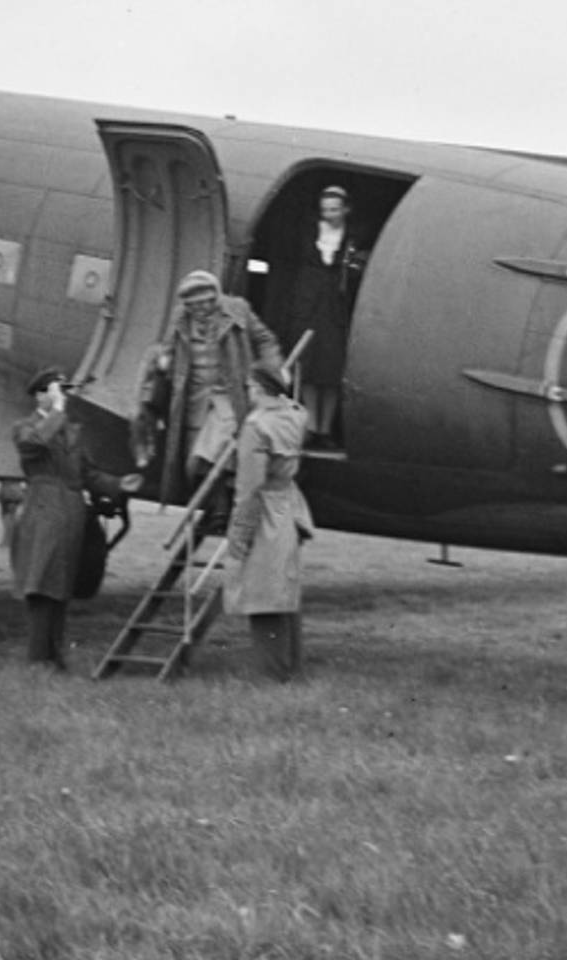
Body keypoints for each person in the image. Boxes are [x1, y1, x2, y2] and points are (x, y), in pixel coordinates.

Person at [10, 368, 140, 670]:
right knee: (41, 586)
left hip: (69, 516)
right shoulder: (24, 428)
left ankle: (54, 657)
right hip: (43, 513)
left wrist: (119, 485)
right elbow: (34, 446)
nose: (64, 397)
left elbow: (87, 474)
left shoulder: (70, 431)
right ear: (40, 395)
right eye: (57, 390)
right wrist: (56, 410)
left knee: (60, 586)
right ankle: (38, 658)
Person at [132, 269, 282, 525]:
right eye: (193, 305)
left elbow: (265, 339)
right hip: (193, 399)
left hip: (229, 395)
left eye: (205, 302)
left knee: (219, 449)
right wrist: (163, 361)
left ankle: (222, 510)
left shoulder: (238, 310)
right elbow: (167, 348)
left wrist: (273, 371)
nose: (200, 309)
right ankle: (214, 506)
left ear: (215, 297)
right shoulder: (181, 319)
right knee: (196, 460)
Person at [224, 361, 314, 682]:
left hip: (264, 511)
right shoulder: (296, 415)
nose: (248, 392)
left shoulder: (256, 426)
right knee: (285, 591)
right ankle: (291, 666)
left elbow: (249, 488)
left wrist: (239, 535)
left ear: (259, 388)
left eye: (250, 387)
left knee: (262, 594)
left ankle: (269, 673)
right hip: (287, 505)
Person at [284, 185, 368, 446]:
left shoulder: (356, 236)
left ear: (345, 210)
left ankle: (325, 429)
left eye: (334, 209)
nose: (329, 214)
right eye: (325, 210)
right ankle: (311, 424)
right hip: (309, 306)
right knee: (308, 368)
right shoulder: (307, 232)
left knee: (330, 372)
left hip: (335, 309)